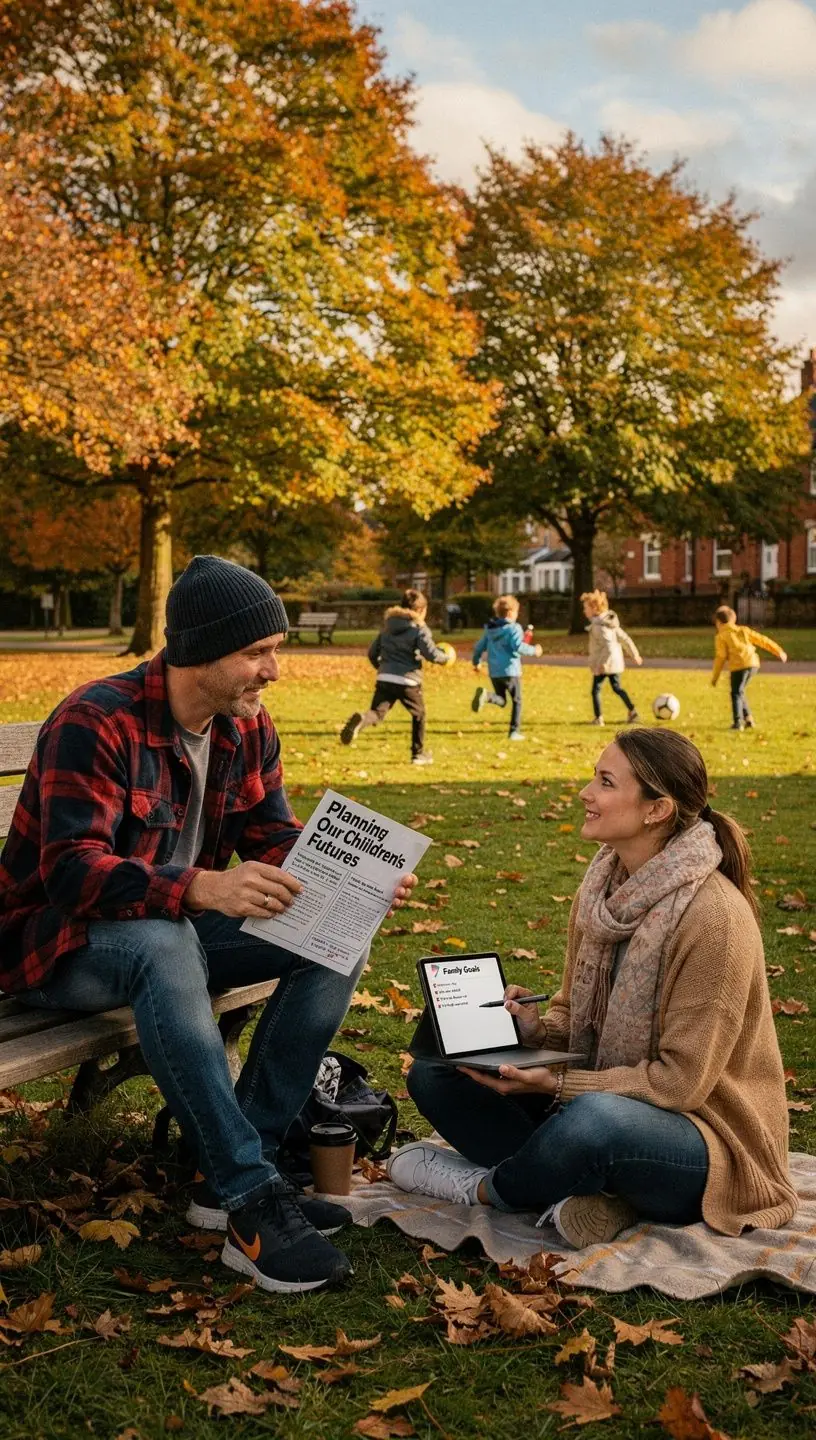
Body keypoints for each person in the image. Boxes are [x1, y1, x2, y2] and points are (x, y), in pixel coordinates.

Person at [0, 555, 417, 1294]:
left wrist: (356, 881)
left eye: (275, 651)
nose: (274, 671)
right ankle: (251, 1202)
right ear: (201, 651)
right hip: (59, 948)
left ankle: (227, 1170)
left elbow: (271, 837)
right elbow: (69, 871)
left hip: (175, 937)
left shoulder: (242, 728)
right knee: (164, 941)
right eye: (258, 653)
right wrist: (197, 887)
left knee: (335, 932)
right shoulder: (95, 721)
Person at [388, 728, 796, 1249]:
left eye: (605, 782)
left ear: (657, 810)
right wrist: (534, 1029)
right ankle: (584, 1193)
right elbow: (574, 1016)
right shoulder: (602, 889)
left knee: (591, 1121)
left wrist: (555, 1086)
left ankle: (491, 1189)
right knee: (438, 1073)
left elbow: (681, 1085)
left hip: (707, 1138)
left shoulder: (714, 919)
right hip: (607, 1100)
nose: (585, 793)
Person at [340, 588, 452, 765]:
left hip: (385, 678)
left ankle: (361, 721)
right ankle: (418, 754)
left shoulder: (387, 628)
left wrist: (383, 668)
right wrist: (445, 658)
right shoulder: (419, 629)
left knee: (377, 712)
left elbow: (372, 653)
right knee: (419, 715)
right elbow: (431, 653)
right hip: (408, 680)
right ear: (421, 610)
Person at [471, 594, 542, 741]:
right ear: (510, 612)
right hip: (511, 670)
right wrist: (534, 650)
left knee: (502, 700)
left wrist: (476, 662)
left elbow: (479, 647)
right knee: (517, 700)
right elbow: (518, 646)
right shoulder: (514, 628)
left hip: (495, 672)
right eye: (516, 612)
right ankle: (514, 731)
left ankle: (487, 696)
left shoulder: (490, 629)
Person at [711, 605, 787, 731]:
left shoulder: (721, 636)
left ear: (718, 622)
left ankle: (737, 723)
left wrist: (715, 677)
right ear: (733, 620)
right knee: (740, 691)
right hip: (752, 664)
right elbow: (762, 640)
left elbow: (721, 657)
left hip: (738, 666)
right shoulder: (743, 630)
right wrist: (778, 651)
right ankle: (748, 718)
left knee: (736, 693)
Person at [581, 589, 642, 726]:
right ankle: (632, 711)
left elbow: (608, 646)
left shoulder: (599, 626)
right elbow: (624, 638)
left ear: (594, 608)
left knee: (595, 690)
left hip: (604, 665)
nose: (584, 611)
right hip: (615, 663)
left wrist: (602, 664)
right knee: (617, 688)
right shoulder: (610, 622)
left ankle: (599, 718)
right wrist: (635, 654)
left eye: (586, 608)